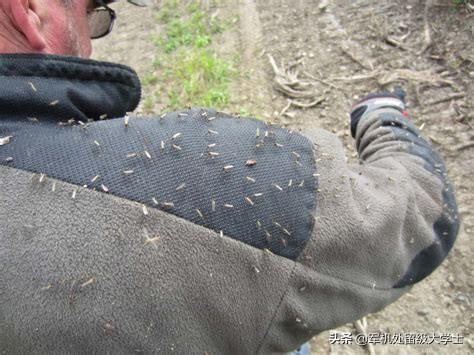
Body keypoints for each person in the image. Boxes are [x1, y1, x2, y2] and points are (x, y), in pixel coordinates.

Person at [0, 0, 459, 354]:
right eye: (92, 11)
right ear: (32, 11)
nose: (93, 40)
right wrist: (382, 119)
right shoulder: (204, 174)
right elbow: (416, 211)